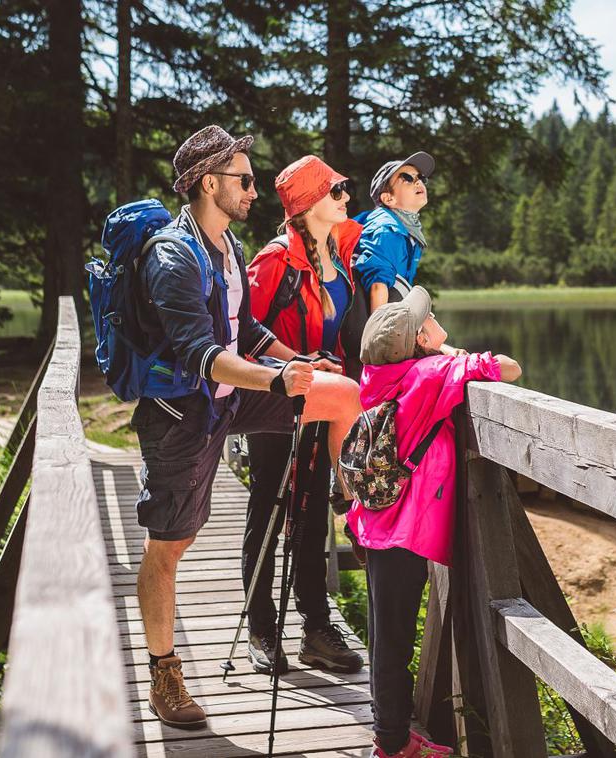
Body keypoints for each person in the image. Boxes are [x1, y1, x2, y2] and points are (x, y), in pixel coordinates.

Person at [133, 126, 362, 729]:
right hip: (183, 415)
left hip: (234, 397)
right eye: (245, 179)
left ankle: (359, 501)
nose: (256, 191)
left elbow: (247, 332)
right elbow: (202, 355)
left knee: (341, 394)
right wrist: (278, 381)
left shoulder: (229, 247)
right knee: (170, 546)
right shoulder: (172, 256)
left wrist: (293, 361)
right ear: (210, 183)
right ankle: (165, 674)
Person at [346, 286, 522, 758]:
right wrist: (446, 352)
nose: (433, 316)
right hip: (403, 532)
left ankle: (393, 730)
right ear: (422, 340)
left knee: (388, 635)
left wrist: (435, 348)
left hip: (376, 522)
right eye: (427, 319)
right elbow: (508, 368)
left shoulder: (380, 376)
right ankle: (392, 745)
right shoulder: (429, 375)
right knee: (394, 643)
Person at [242, 155, 366, 676]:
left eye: (344, 188)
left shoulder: (341, 255)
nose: (344, 198)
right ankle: (261, 628)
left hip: (324, 396)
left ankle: (315, 629)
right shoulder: (274, 262)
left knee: (313, 510)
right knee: (269, 505)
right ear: (308, 203)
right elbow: (238, 337)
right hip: (276, 397)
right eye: (335, 190)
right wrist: (291, 363)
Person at [353, 151, 434, 311]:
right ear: (389, 199)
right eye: (408, 178)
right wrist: (379, 335)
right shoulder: (386, 230)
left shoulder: (406, 228)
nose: (418, 182)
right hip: (371, 323)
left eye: (420, 178)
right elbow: (378, 286)